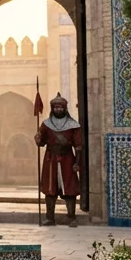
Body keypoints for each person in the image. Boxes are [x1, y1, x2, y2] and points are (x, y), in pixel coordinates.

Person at [37, 93, 83, 227]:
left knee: (70, 188)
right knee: (49, 189)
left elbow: (78, 146)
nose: (58, 109)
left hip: (67, 159)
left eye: (60, 107)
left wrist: (77, 162)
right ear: (52, 108)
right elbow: (42, 143)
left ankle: (72, 218)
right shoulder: (46, 124)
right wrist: (38, 139)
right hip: (50, 159)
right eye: (56, 107)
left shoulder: (73, 125)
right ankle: (50, 218)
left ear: (64, 108)